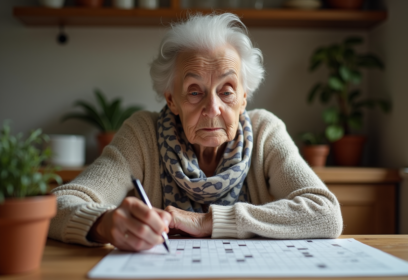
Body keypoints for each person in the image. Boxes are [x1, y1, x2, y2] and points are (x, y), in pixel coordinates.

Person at [48, 13, 343, 251]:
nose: (212, 108)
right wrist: (105, 223)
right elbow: (59, 204)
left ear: (244, 99)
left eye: (226, 91)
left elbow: (326, 213)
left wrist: (207, 222)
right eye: (194, 92)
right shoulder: (142, 134)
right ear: (171, 100)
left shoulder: (266, 131)